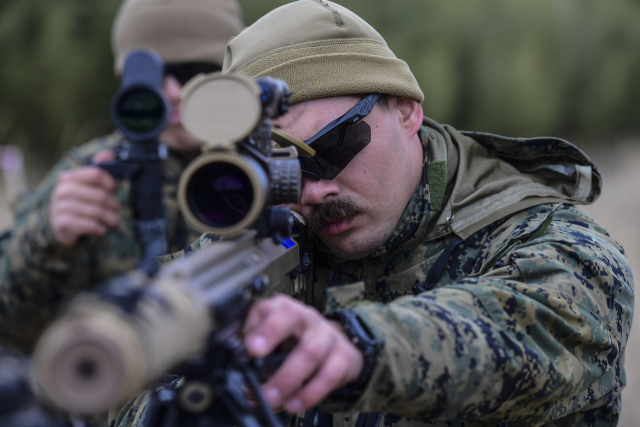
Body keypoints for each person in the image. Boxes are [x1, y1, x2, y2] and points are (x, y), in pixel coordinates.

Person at [114, 1, 633, 426]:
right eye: (280, 170)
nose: (312, 191)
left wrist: (352, 349)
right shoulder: (260, 246)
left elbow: (536, 328)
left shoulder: (554, 244)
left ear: (405, 109)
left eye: (334, 145)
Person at [0, 0, 244, 354]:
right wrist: (47, 238)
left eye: (195, 72)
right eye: (156, 74)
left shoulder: (267, 163)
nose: (174, 92)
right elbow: (11, 329)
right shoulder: (90, 172)